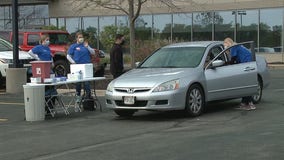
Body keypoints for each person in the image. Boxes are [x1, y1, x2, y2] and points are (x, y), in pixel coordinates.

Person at [223, 37, 256, 111]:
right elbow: (237, 60)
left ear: (228, 43)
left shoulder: (233, 47)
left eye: (225, 44)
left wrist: (225, 63)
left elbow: (233, 59)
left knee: (245, 85)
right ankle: (244, 103)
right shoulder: (238, 46)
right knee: (246, 85)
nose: (225, 46)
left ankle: (250, 104)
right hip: (249, 64)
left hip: (246, 65)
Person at [28, 34, 57, 114]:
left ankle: (51, 106)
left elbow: (50, 56)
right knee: (46, 87)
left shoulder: (47, 48)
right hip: (42, 68)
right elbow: (30, 52)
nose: (48, 41)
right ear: (42, 41)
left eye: (48, 39)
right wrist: (38, 58)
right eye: (46, 40)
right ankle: (45, 106)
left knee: (52, 86)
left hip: (49, 68)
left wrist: (52, 62)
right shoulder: (38, 47)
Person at [67, 32, 96, 102]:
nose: (81, 38)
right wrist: (73, 62)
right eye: (79, 37)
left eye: (82, 37)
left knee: (86, 83)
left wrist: (87, 47)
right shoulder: (73, 46)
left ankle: (88, 97)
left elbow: (93, 53)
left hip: (86, 66)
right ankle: (78, 97)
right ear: (76, 38)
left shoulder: (85, 45)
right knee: (78, 83)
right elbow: (68, 56)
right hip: (78, 67)